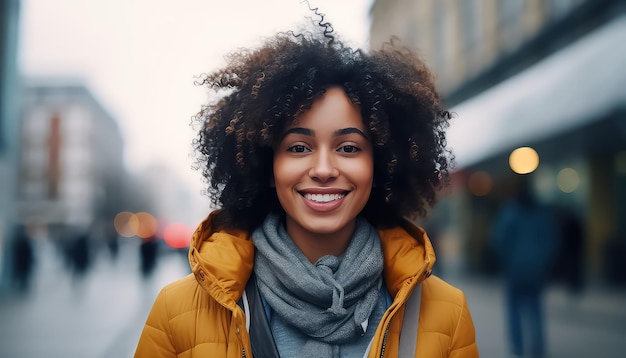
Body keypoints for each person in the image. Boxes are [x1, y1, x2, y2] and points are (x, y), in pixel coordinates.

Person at [135, 13, 478, 358]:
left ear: (380, 165)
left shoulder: (447, 313)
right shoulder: (176, 312)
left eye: (348, 148)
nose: (324, 169)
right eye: (298, 148)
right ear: (268, 166)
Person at [491, 175, 560, 358]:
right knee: (535, 309)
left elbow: (499, 241)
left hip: (515, 269)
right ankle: (537, 348)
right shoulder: (541, 214)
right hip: (537, 269)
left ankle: (517, 348)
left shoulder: (509, 212)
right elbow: (551, 242)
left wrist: (508, 260)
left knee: (514, 309)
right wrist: (543, 263)